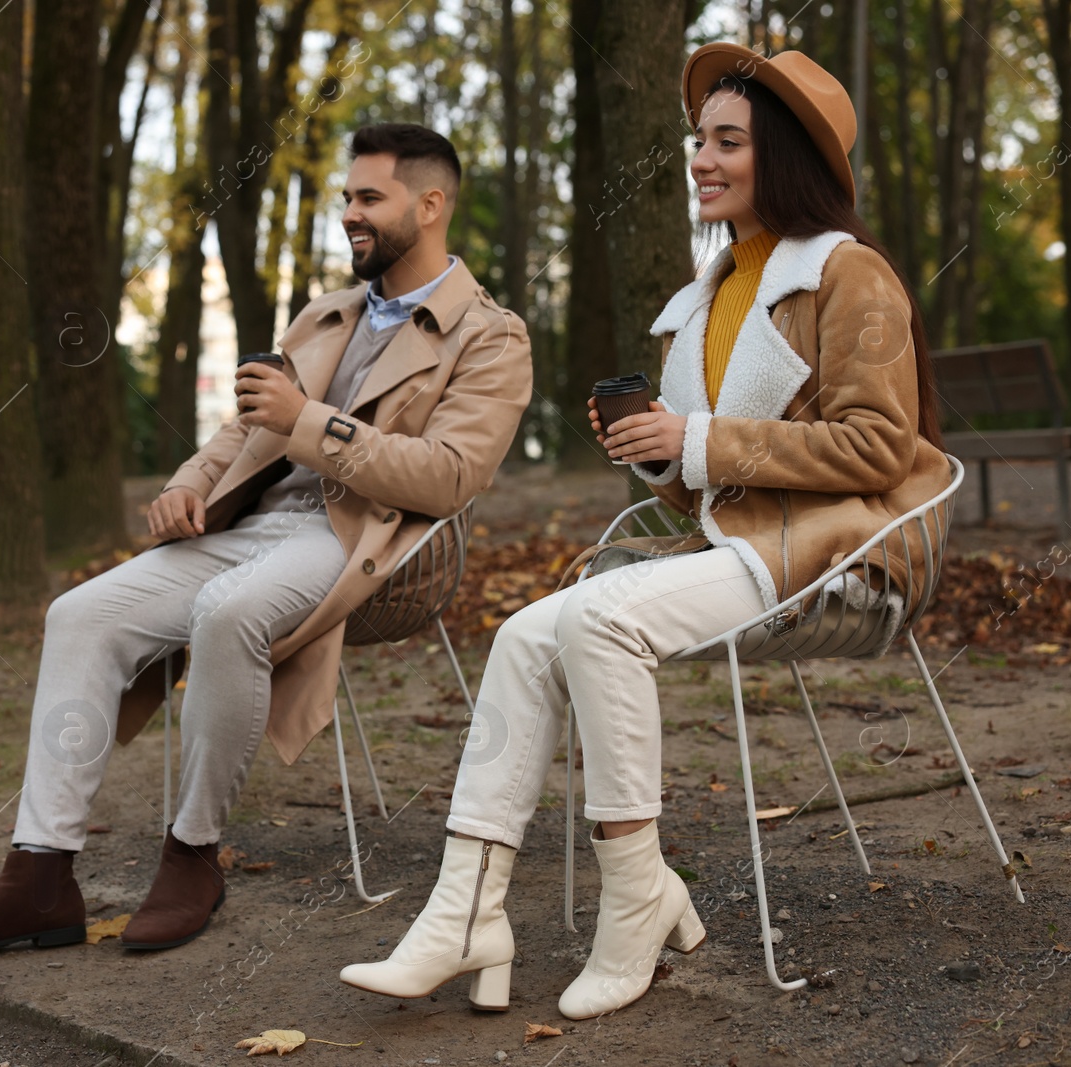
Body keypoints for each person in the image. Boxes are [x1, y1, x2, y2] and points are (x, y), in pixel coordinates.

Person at [340, 46, 950, 1018]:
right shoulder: (703, 299)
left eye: (727, 140)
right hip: (746, 549)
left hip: (848, 552)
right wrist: (661, 457)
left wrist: (697, 438)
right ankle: (463, 916)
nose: (699, 157)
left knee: (600, 622)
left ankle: (638, 897)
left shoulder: (848, 272)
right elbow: (711, 492)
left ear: (785, 155)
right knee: (524, 630)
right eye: (695, 140)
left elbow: (879, 447)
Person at [0, 123, 532, 955]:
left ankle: (192, 854)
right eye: (346, 197)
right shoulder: (327, 313)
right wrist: (187, 484)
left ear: (432, 203)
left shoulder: (491, 334)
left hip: (360, 538)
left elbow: (451, 475)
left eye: (369, 198)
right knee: (80, 613)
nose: (350, 213)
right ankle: (39, 875)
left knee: (229, 612)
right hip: (256, 524)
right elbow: (246, 432)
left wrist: (311, 422)